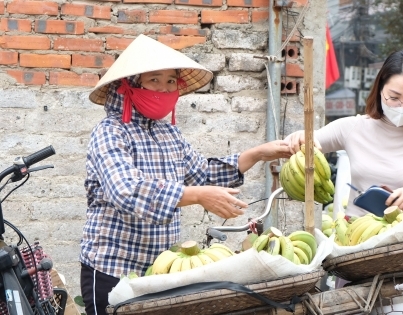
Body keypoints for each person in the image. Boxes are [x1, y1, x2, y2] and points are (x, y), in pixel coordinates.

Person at [80, 35, 291, 315]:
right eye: (154, 80)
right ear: (128, 86)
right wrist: (197, 196)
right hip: (112, 267)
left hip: (161, 270)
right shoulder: (110, 132)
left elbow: (202, 175)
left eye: (170, 81)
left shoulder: (170, 134)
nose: (164, 89)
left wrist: (256, 154)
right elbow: (126, 190)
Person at [285, 50, 403, 216]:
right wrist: (299, 137)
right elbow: (307, 141)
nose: (402, 106)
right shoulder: (353, 127)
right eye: (394, 97)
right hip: (356, 235)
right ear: (380, 88)